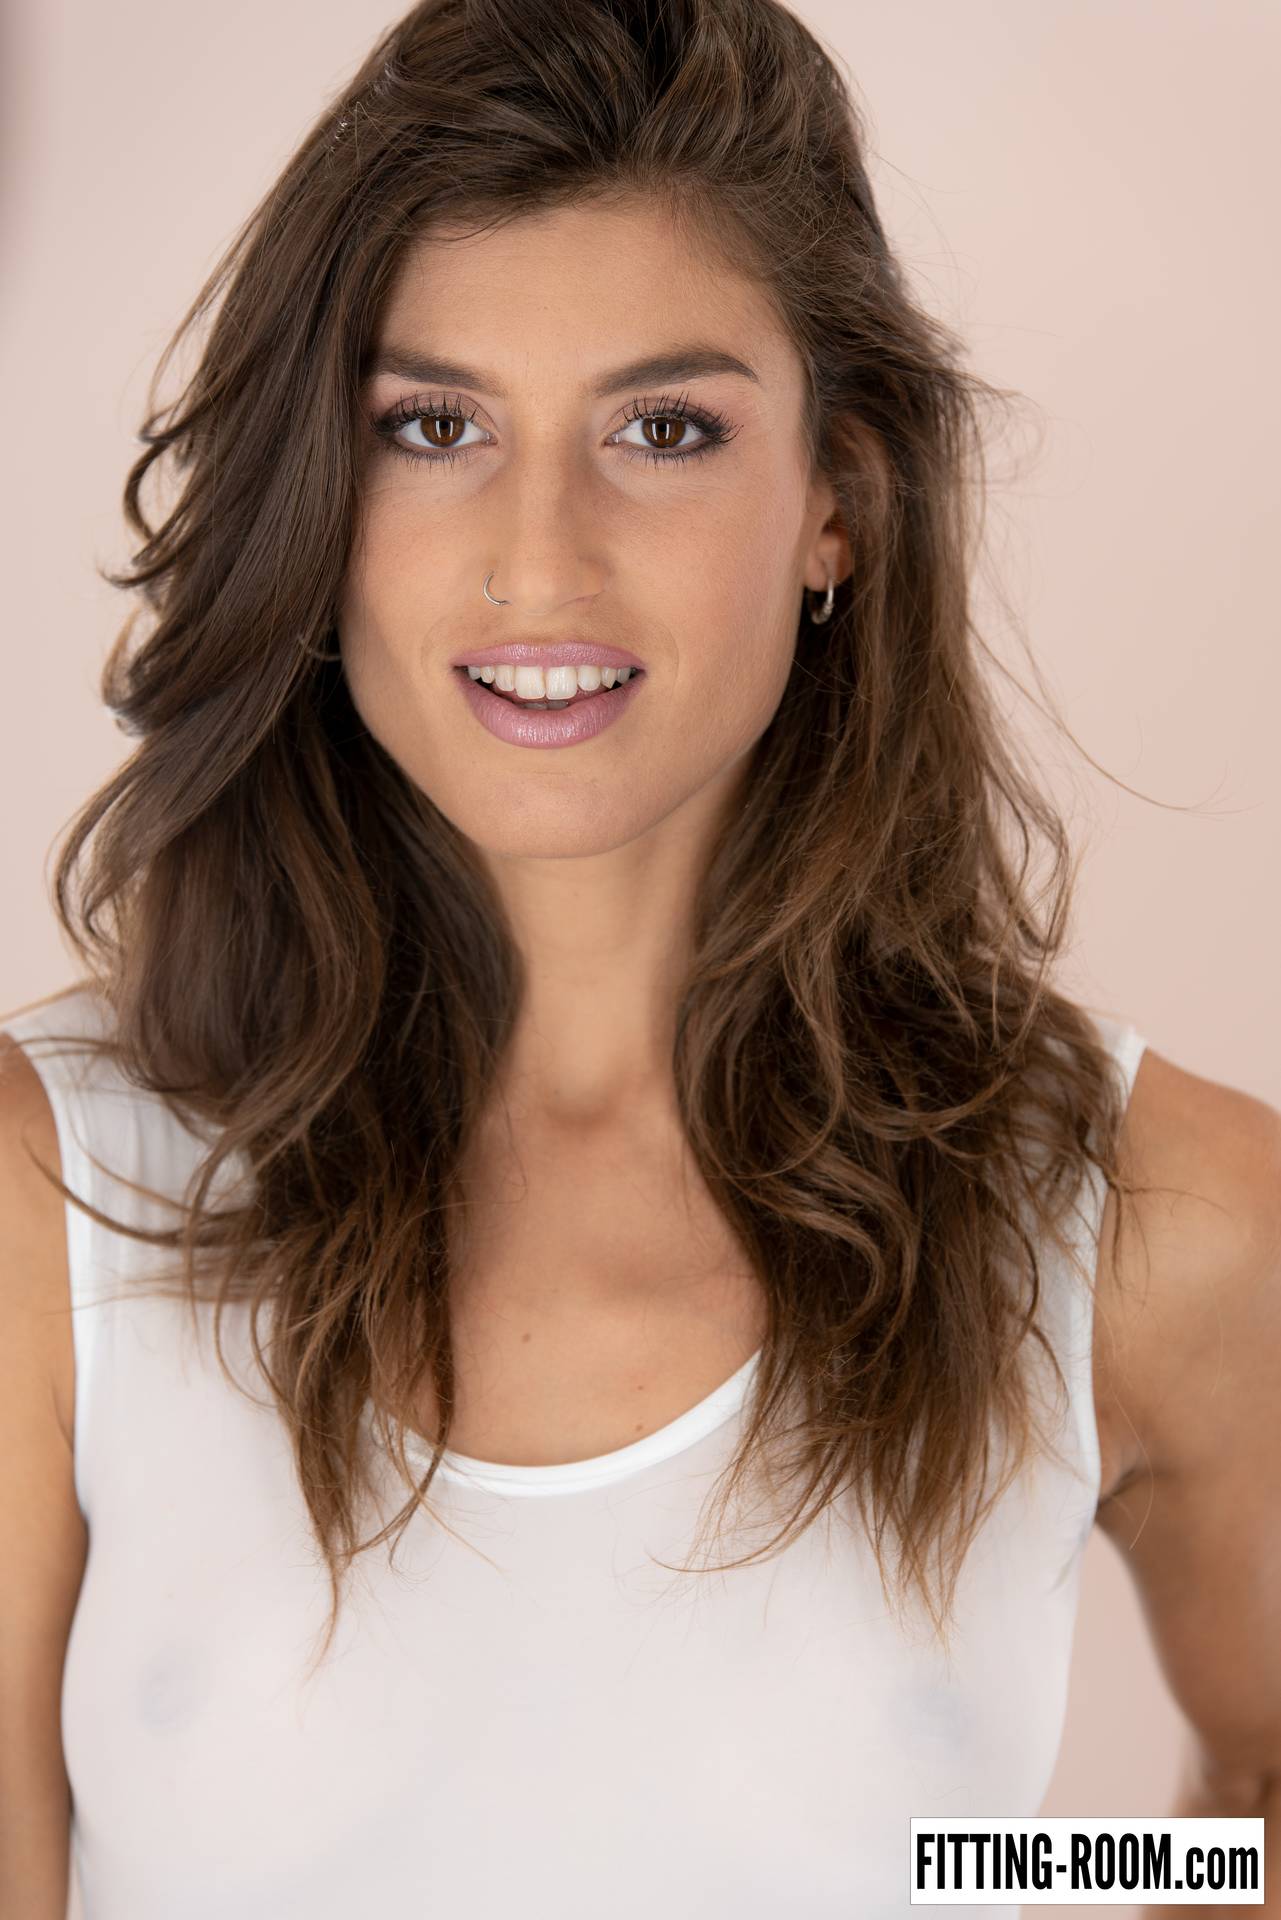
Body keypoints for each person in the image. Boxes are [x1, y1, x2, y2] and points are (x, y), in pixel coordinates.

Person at [2, 0, 1278, 1914]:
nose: (539, 560)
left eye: (663, 430)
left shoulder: (1155, 1213)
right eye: (432, 427)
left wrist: (975, 1873)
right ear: (319, 499)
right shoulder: (50, 1206)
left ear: (837, 502)